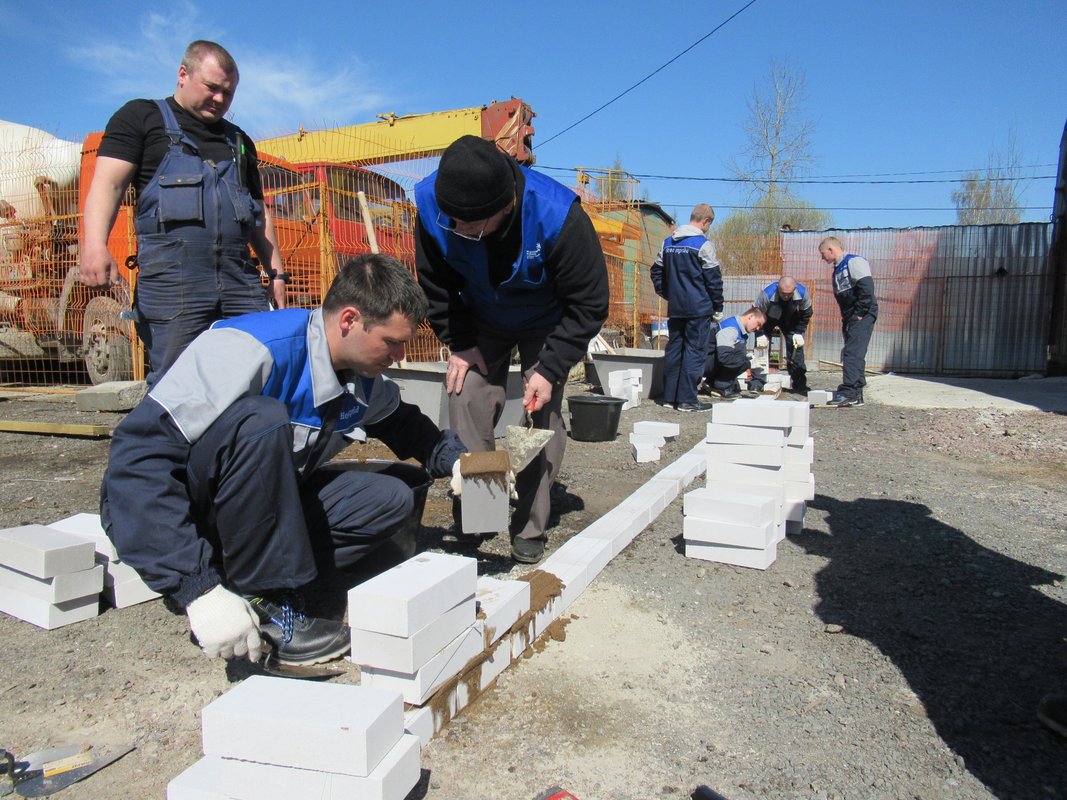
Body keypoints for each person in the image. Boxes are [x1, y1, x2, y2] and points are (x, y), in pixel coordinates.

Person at [99, 255, 467, 666]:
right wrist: (196, 589)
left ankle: (257, 572)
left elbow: (403, 424)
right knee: (263, 420)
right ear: (349, 320)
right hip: (185, 513)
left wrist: (453, 460)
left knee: (392, 498)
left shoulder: (359, 375)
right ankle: (266, 597)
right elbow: (137, 460)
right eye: (392, 342)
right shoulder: (249, 351)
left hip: (245, 513)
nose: (399, 356)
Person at [414, 135, 609, 565]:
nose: (460, 231)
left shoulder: (557, 215)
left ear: (506, 206)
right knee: (465, 394)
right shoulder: (434, 204)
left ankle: (530, 524)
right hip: (481, 314)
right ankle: (481, 510)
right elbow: (435, 283)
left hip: (547, 318)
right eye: (454, 222)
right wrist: (460, 342)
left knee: (541, 412)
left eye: (472, 225)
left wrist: (551, 366)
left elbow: (590, 302)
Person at [80, 40, 288, 385]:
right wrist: (94, 246)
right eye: (211, 87)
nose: (220, 99)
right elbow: (108, 185)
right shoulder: (141, 118)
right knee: (177, 385)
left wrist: (276, 274)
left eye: (228, 93)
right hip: (173, 283)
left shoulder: (238, 142)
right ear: (182, 74)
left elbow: (258, 213)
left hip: (239, 282)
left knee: (252, 377)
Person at [650, 204, 724, 412]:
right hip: (699, 308)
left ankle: (669, 397)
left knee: (674, 349)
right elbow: (713, 280)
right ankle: (687, 400)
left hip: (676, 308)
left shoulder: (668, 243)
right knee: (695, 351)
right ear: (706, 221)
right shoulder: (703, 244)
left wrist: (666, 293)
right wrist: (717, 305)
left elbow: (656, 271)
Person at [818, 236, 878, 408]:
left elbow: (867, 288)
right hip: (850, 314)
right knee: (853, 352)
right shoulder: (838, 268)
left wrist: (860, 313)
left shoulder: (854, 262)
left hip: (861, 313)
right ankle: (857, 392)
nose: (822, 258)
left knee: (851, 353)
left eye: (823, 254)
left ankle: (849, 392)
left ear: (831, 249)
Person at [749, 276, 813, 394]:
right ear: (778, 287)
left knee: (796, 348)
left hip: (790, 319)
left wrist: (799, 332)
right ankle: (757, 382)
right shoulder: (767, 293)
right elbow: (755, 313)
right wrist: (760, 333)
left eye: (789, 294)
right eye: (783, 293)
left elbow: (806, 313)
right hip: (766, 318)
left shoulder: (803, 293)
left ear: (795, 289)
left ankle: (799, 384)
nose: (786, 296)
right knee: (760, 348)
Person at [703, 307, 766, 399]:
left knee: (741, 357)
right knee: (741, 359)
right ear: (750, 316)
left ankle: (712, 382)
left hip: (708, 361)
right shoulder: (731, 329)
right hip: (703, 364)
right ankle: (720, 386)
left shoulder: (737, 327)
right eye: (758, 324)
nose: (757, 328)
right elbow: (724, 357)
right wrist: (748, 363)